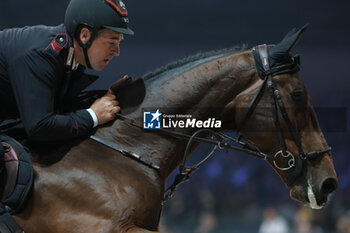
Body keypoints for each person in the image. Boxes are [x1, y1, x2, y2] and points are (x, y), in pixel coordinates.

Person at [0, 0, 133, 232]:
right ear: (84, 35)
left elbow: (59, 109)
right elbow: (39, 126)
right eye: (112, 41)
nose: (117, 51)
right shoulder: (41, 55)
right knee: (11, 163)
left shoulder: (70, 57)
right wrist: (93, 115)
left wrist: (103, 100)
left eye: (119, 42)